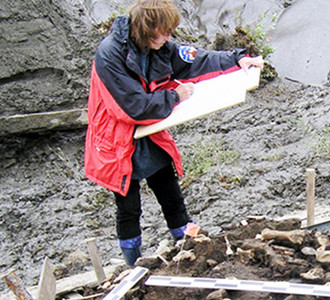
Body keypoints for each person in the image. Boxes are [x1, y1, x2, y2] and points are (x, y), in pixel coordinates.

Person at [84, 0, 264, 266]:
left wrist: (238, 59)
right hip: (117, 141)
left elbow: (196, 60)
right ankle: (133, 265)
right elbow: (133, 107)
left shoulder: (160, 47)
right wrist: (175, 96)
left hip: (150, 132)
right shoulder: (109, 54)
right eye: (164, 32)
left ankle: (187, 248)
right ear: (146, 29)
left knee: (170, 193)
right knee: (128, 208)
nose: (169, 38)